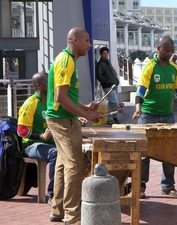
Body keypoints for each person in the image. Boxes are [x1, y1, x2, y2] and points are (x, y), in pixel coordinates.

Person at [46, 27, 100, 225]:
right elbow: (60, 96)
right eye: (87, 40)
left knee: (62, 165)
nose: (90, 44)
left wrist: (85, 106)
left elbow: (66, 95)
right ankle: (72, 216)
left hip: (64, 119)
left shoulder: (68, 60)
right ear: (75, 40)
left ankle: (57, 210)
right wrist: (86, 114)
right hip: (63, 121)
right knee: (75, 167)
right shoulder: (65, 60)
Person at [133, 36, 177, 199]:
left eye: (171, 50)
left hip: (167, 115)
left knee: (170, 153)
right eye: (166, 50)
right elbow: (141, 91)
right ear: (158, 49)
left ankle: (168, 186)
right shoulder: (149, 67)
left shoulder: (173, 69)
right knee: (144, 154)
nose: (169, 53)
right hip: (147, 115)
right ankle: (140, 186)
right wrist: (138, 108)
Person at [17, 72, 57, 204]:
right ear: (38, 85)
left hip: (52, 143)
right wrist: (41, 135)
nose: (52, 84)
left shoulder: (53, 101)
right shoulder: (30, 104)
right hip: (32, 145)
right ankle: (54, 195)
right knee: (55, 153)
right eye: (48, 82)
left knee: (78, 150)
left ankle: (75, 194)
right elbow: (21, 131)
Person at [96, 46, 120, 125]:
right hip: (108, 86)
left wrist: (116, 80)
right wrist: (108, 82)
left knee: (111, 103)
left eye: (107, 53)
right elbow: (99, 76)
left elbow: (112, 73)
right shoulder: (100, 64)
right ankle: (113, 117)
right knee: (115, 102)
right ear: (101, 54)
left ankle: (111, 118)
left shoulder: (107, 62)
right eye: (104, 53)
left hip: (114, 85)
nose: (106, 55)